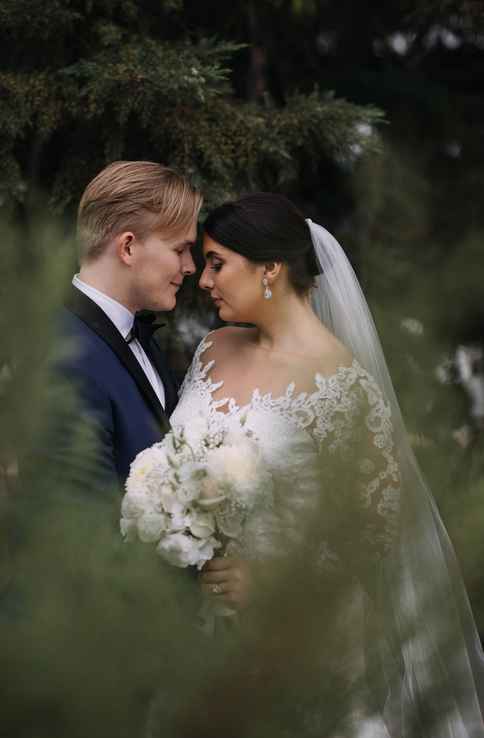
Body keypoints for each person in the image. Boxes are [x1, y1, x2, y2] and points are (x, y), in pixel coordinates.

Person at [170, 193, 484, 737]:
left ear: (270, 269)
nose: (203, 279)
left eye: (218, 263)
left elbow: (377, 539)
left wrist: (266, 581)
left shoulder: (342, 386)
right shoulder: (213, 350)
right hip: (194, 629)